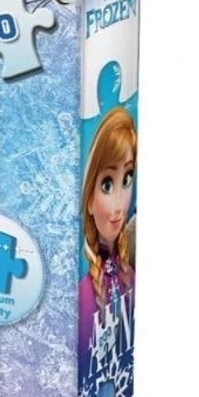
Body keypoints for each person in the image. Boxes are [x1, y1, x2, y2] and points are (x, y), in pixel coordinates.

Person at [78, 106, 137, 377]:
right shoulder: (82, 297)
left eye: (127, 179)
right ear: (89, 199)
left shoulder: (131, 277)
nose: (119, 205)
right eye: (107, 185)